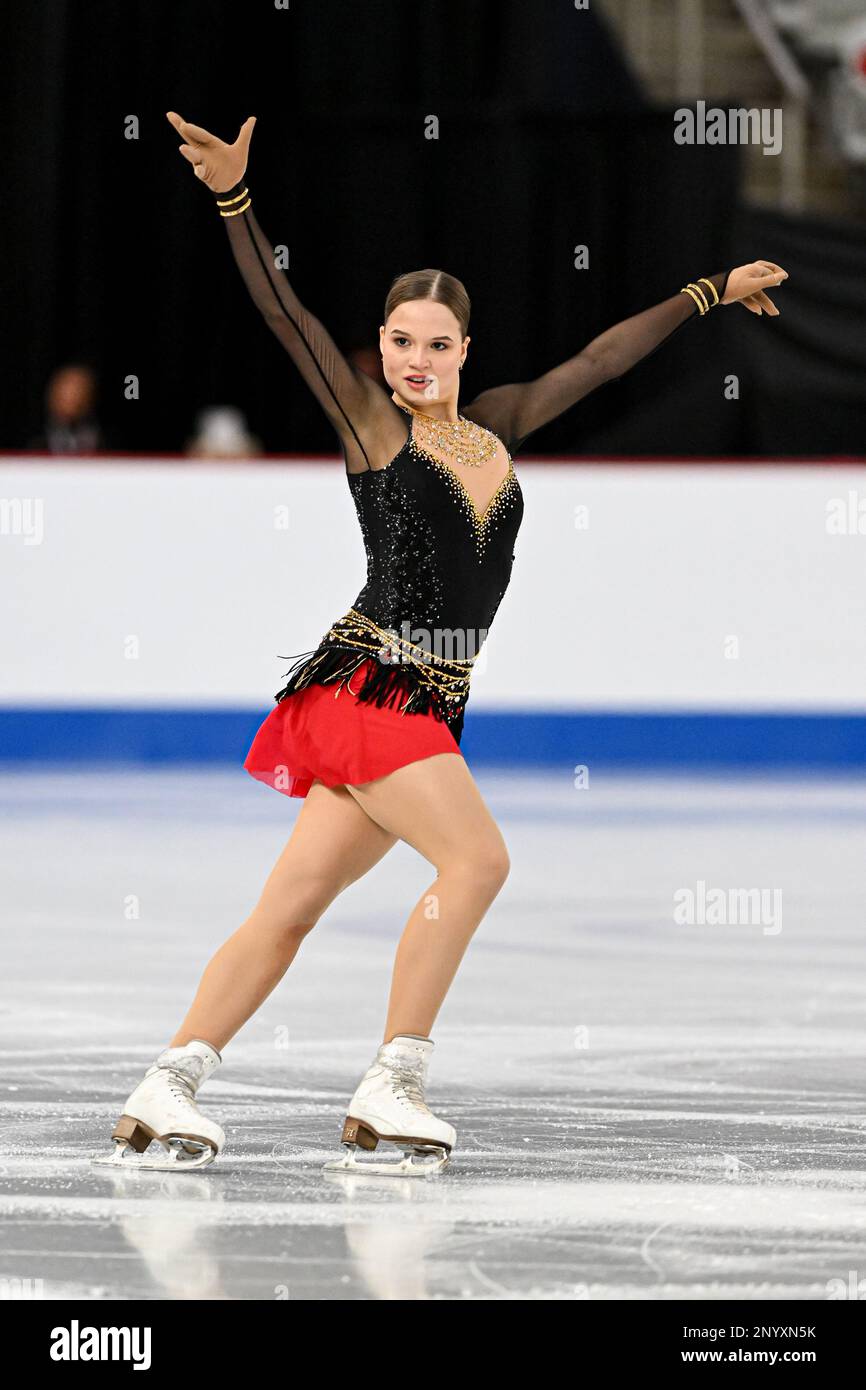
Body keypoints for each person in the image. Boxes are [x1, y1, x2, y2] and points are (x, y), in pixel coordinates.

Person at [92, 111, 788, 1177]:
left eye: (435, 343)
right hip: (373, 687)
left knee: (287, 911)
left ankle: (169, 1078)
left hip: (414, 702)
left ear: (466, 351)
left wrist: (705, 293)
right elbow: (286, 318)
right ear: (380, 353)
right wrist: (235, 200)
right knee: (477, 858)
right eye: (398, 342)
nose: (414, 360)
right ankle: (393, 1080)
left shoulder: (498, 425)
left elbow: (602, 361)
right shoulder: (374, 428)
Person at [30, 363, 103, 454]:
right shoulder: (35, 440)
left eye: (79, 390)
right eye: (67, 391)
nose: (74, 397)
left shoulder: (103, 441)